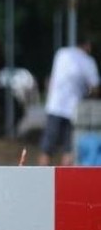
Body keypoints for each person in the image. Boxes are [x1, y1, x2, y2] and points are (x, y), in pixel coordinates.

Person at [38, 38, 100, 166]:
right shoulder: (88, 62)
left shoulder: (62, 53)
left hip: (54, 105)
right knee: (69, 149)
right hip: (74, 109)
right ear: (87, 46)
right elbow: (95, 87)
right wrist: (87, 93)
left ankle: (40, 178)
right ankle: (64, 182)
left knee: (47, 147)